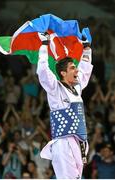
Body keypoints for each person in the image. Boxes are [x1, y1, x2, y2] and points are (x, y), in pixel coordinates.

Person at [36, 32, 93, 179]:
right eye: (73, 68)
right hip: (63, 142)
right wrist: (44, 46)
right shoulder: (55, 89)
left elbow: (85, 70)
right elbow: (43, 71)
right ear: (63, 73)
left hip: (79, 142)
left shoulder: (77, 88)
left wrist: (87, 48)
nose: (77, 70)